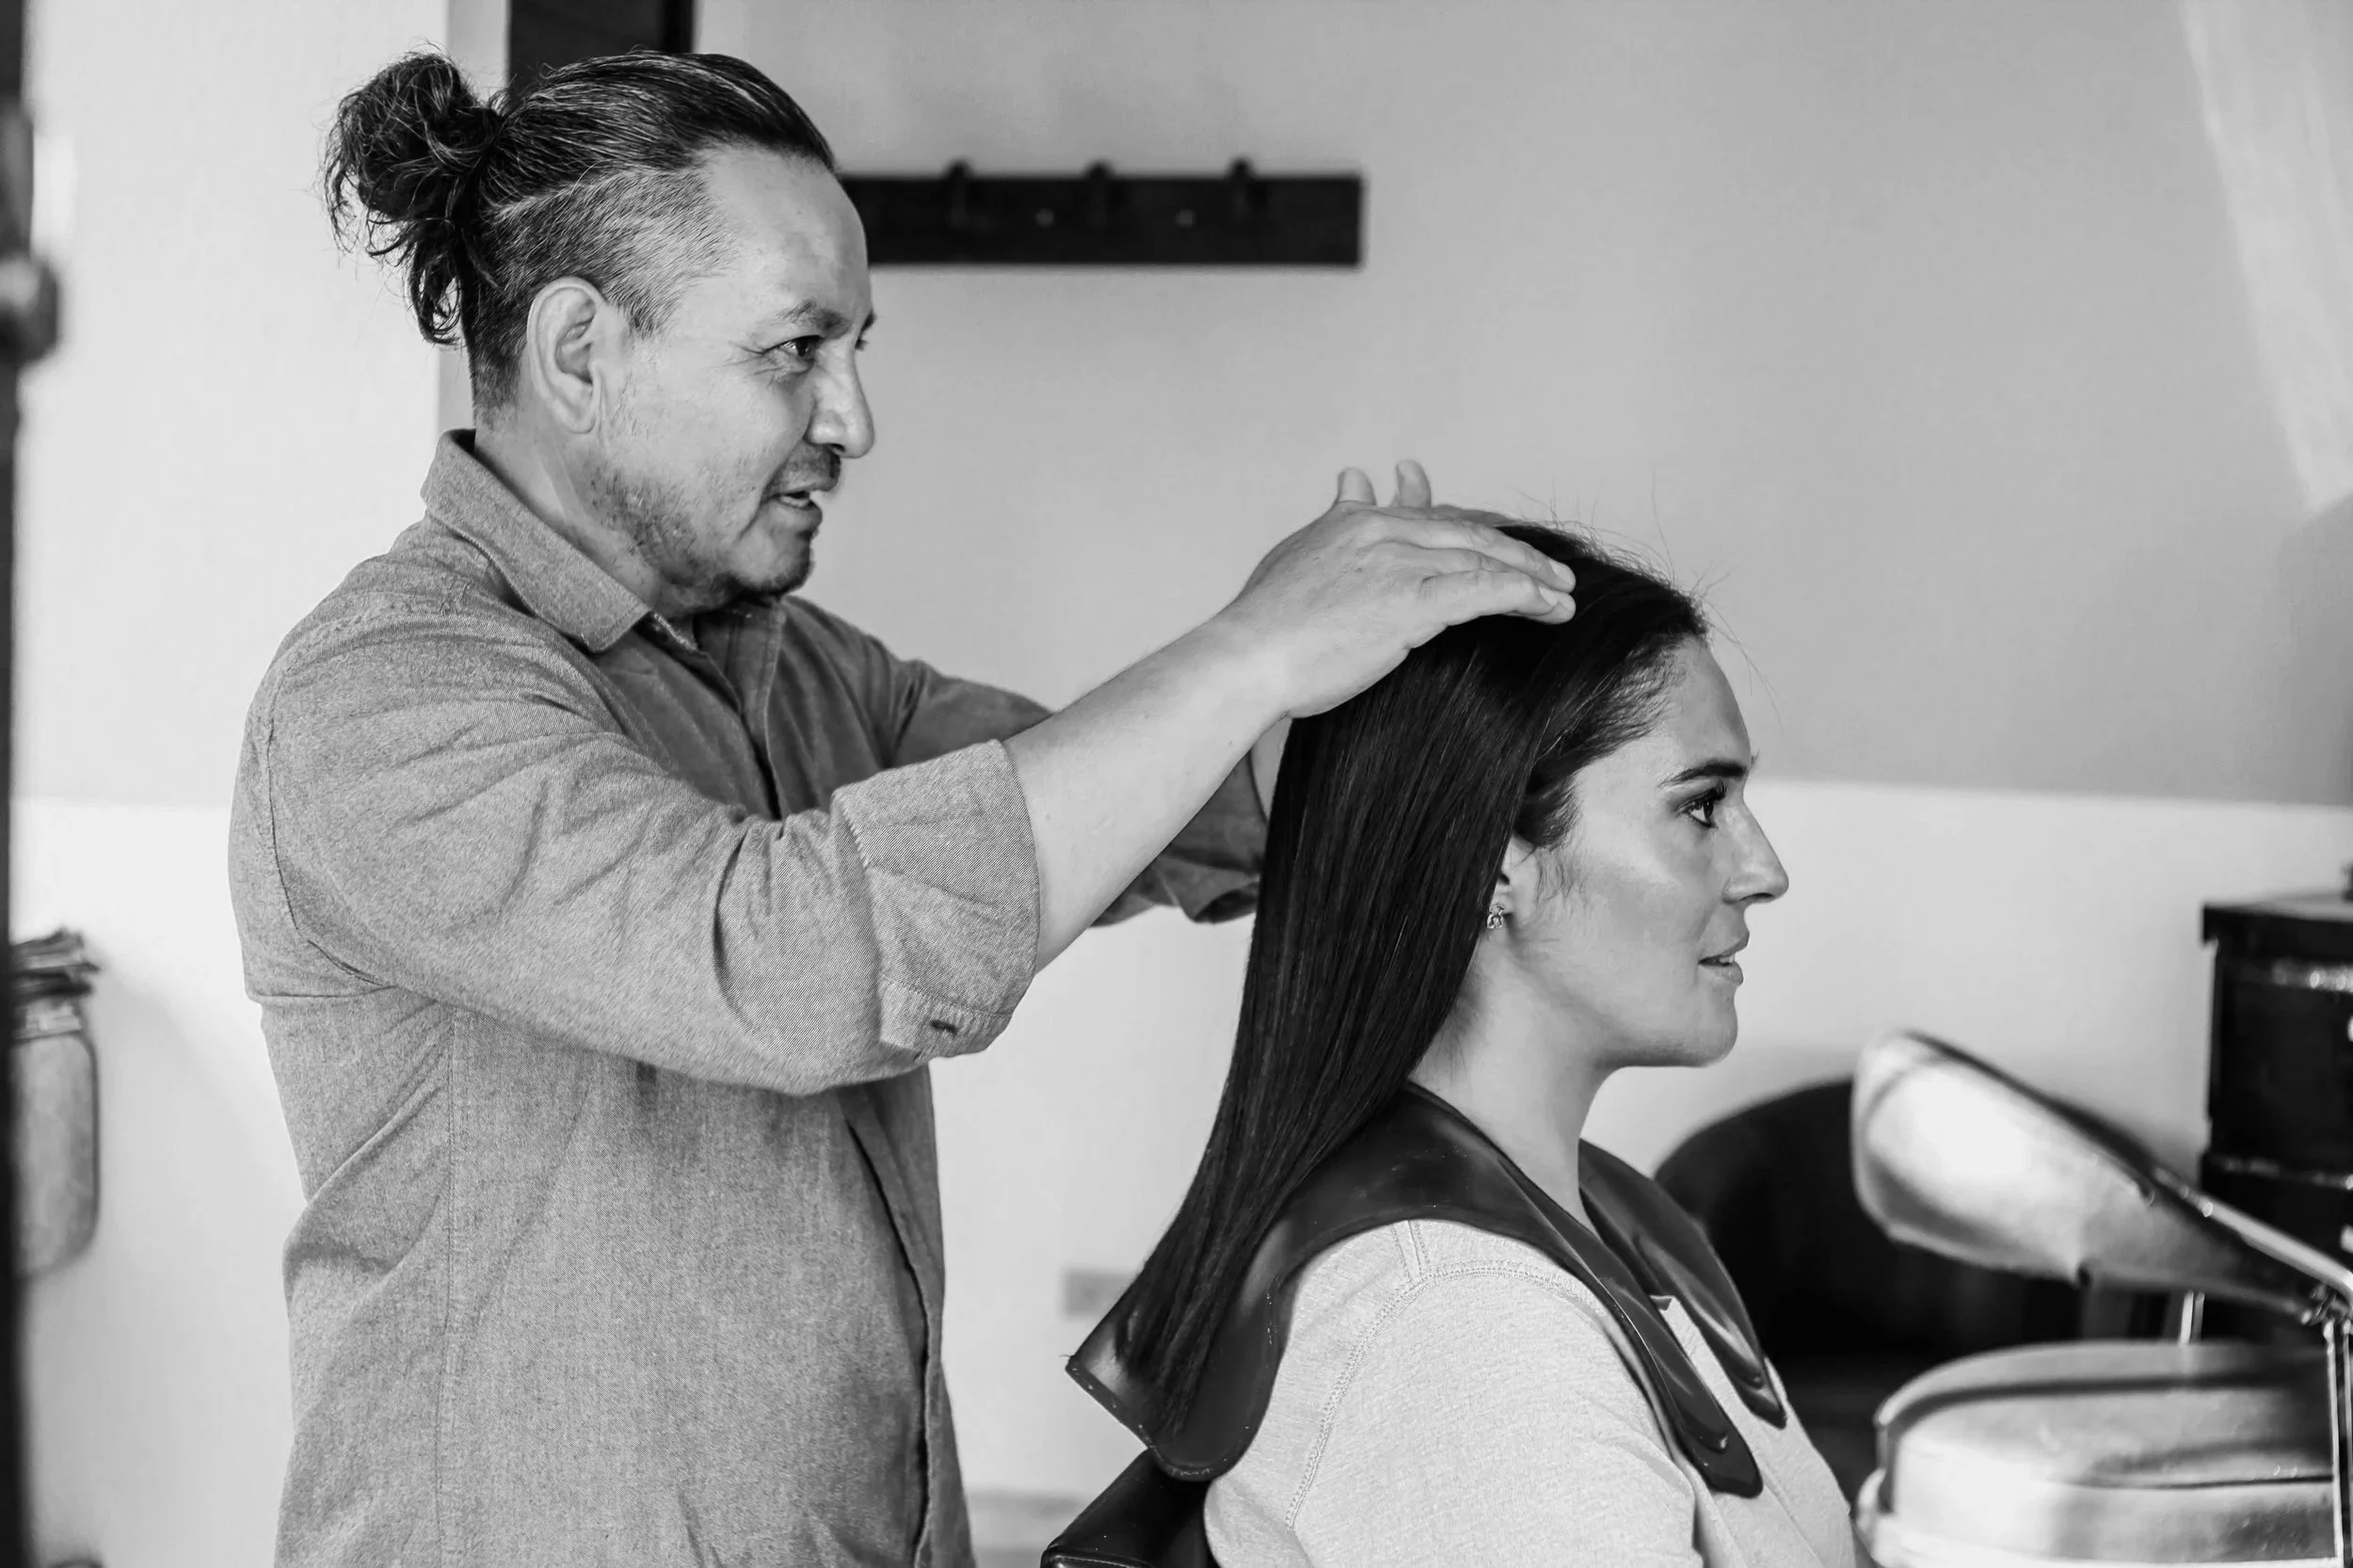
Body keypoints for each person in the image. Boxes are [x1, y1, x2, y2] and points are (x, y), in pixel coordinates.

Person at [225, 45, 1578, 1568]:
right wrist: (1250, 651)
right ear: (581, 352)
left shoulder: (802, 675)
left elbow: (1133, 799)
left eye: (854, 348)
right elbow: (779, 957)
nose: (853, 419)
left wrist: (1398, 712)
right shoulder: (387, 698)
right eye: (793, 351)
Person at [1070, 527, 1854, 1565]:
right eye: (1700, 805)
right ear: (1496, 863)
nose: (1764, 869)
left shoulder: (1616, 1215)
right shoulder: (1463, 1325)